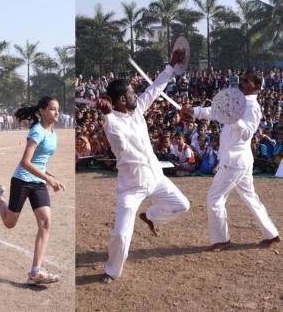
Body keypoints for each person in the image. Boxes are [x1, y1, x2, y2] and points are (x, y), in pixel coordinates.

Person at [96, 49, 190, 283]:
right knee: (120, 233)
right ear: (121, 100)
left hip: (156, 177)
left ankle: (150, 216)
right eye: (130, 93)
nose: (135, 94)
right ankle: (112, 270)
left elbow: (155, 88)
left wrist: (170, 66)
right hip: (131, 187)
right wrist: (107, 116)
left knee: (182, 206)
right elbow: (117, 140)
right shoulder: (112, 123)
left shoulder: (137, 111)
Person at [180, 70, 280, 251]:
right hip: (238, 160)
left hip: (234, 161)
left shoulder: (252, 107)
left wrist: (233, 117)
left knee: (215, 199)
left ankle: (221, 239)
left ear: (256, 87)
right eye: (242, 80)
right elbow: (215, 111)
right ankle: (271, 234)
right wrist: (193, 111)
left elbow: (247, 133)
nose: (241, 83)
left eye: (246, 81)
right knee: (250, 197)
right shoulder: (237, 100)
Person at [0, 96, 64, 285]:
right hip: (22, 180)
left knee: (45, 222)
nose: (56, 112)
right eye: (52, 109)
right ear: (42, 111)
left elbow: (40, 162)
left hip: (38, 183)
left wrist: (51, 177)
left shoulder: (53, 133)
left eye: (57, 109)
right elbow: (25, 163)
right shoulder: (37, 131)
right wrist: (48, 179)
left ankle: (35, 270)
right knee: (10, 223)